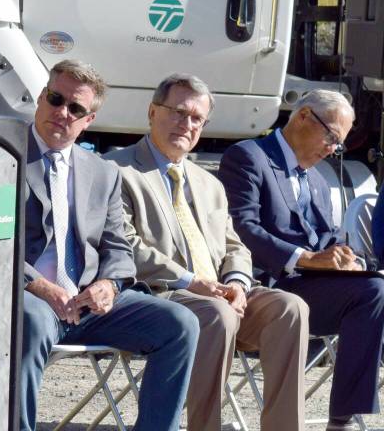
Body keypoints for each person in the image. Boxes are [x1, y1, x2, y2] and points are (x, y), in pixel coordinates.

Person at [105, 73, 308, 431]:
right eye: (179, 113)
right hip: (162, 295)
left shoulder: (208, 182)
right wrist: (192, 281)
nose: (187, 124)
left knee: (290, 308)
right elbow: (126, 245)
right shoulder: (117, 170)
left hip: (219, 293)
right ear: (152, 112)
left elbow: (235, 245)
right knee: (218, 313)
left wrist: (238, 282)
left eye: (197, 118)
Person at [20, 59, 198, 431]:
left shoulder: (102, 172)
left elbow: (118, 247)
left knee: (180, 324)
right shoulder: (5, 155)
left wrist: (110, 285)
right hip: (30, 296)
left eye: (76, 108)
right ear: (40, 97)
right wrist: (37, 285)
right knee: (30, 322)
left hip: (87, 304)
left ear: (90, 119)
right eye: (55, 98)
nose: (62, 112)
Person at [219, 89, 384, 431]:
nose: (333, 148)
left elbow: (332, 239)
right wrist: (306, 258)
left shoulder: (318, 180)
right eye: (332, 137)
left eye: (338, 143)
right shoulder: (249, 156)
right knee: (374, 291)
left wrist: (344, 257)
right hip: (267, 288)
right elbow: (240, 229)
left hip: (312, 290)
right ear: (304, 116)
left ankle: (344, 417)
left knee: (374, 286)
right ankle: (343, 421)